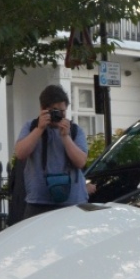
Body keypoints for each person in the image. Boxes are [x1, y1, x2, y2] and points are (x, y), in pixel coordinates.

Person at [14, 84, 88, 218]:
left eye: (62, 111)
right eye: (55, 111)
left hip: (72, 201)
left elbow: (81, 162)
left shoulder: (75, 130)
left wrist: (66, 137)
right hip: (39, 201)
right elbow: (20, 153)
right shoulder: (31, 126)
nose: (59, 115)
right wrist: (39, 129)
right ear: (43, 109)